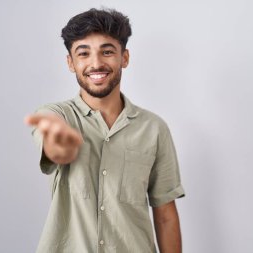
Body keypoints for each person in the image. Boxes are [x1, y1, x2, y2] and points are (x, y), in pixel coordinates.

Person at [25, 8, 185, 253]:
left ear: (125, 58)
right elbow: (54, 145)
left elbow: (165, 215)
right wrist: (60, 146)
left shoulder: (154, 128)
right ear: (70, 62)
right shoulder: (56, 116)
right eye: (84, 53)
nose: (96, 63)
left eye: (107, 51)